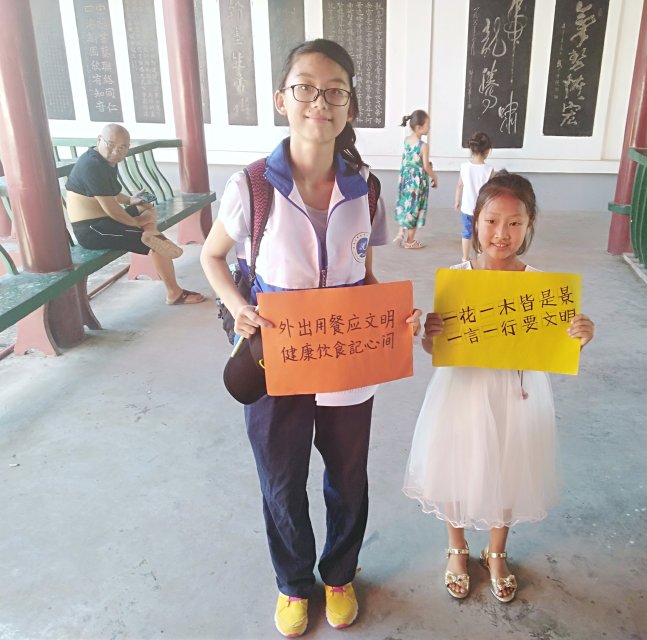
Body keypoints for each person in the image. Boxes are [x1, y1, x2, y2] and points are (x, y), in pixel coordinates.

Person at [199, 39, 421, 638]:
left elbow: (364, 273)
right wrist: (239, 307)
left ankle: (340, 574)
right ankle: (294, 583)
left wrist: (390, 316)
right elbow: (211, 256)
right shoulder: (252, 187)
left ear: (349, 105)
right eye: (305, 88)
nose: (319, 101)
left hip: (346, 357)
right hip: (277, 357)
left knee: (348, 476)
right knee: (281, 478)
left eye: (334, 91)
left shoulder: (366, 188)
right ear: (282, 99)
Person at [402, 172, 594, 604]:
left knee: (509, 467)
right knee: (456, 465)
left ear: (529, 226)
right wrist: (430, 334)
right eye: (491, 221)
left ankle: (496, 551)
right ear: (476, 220)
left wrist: (579, 334)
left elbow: (556, 345)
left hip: (516, 395)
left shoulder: (541, 287)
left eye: (514, 223)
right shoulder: (457, 278)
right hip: (461, 391)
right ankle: (457, 547)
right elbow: (436, 348)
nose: (501, 233)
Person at [66, 123, 205, 305]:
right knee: (157, 244)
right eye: (111, 145)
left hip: (106, 220)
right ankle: (174, 293)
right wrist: (136, 222)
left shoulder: (105, 161)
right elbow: (112, 209)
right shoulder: (92, 165)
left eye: (122, 148)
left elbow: (112, 193)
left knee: (146, 204)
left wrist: (131, 200)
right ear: (99, 139)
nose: (116, 151)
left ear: (127, 148)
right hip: (93, 230)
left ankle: (150, 231)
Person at [393, 109, 438, 249]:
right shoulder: (423, 146)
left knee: (405, 204)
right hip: (417, 183)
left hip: (405, 179)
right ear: (419, 127)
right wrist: (434, 177)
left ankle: (400, 233)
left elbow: (411, 160)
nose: (429, 127)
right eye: (427, 125)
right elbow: (425, 166)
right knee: (415, 208)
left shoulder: (406, 140)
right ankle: (410, 241)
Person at [454, 132, 494, 263]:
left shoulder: (464, 167)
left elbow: (459, 185)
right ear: (487, 151)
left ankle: (465, 258)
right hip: (483, 210)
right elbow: (491, 192)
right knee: (482, 233)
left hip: (466, 208)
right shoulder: (489, 170)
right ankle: (481, 258)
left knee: (467, 233)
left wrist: (457, 200)